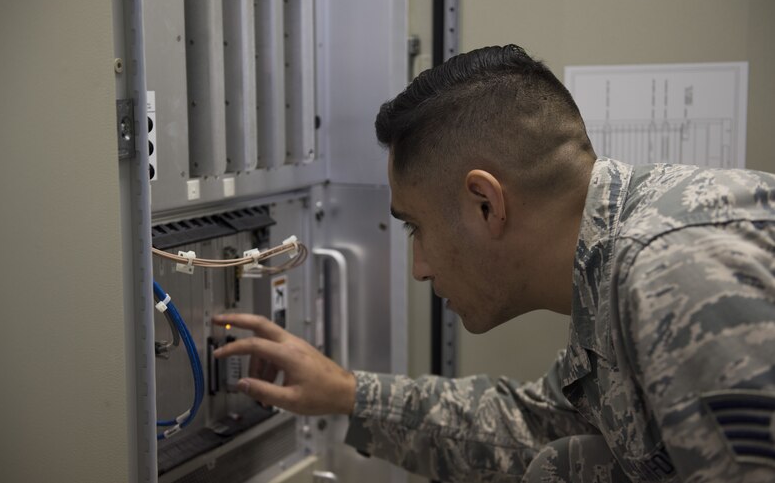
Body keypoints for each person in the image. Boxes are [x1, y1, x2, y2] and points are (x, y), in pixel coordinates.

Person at [213, 44, 775, 482]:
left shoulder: (670, 271)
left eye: (417, 228)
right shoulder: (612, 277)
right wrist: (347, 393)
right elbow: (531, 428)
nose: (419, 268)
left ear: (486, 204)